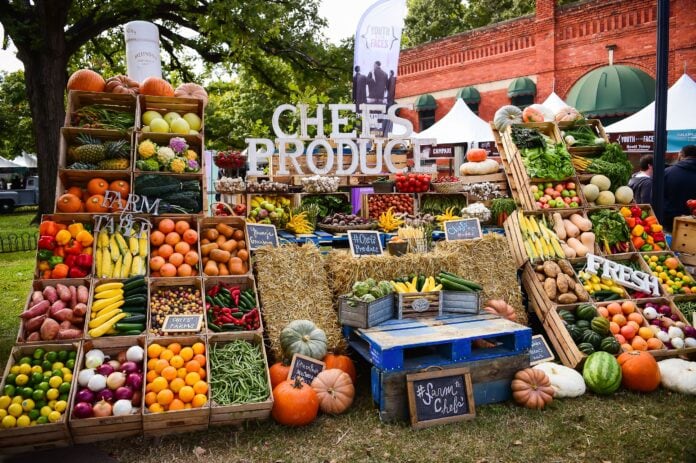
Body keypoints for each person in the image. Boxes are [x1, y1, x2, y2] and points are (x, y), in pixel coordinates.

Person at [663, 145, 696, 231]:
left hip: (671, 225)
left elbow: (658, 199)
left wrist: (675, 215)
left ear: (681, 155)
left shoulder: (666, 173)